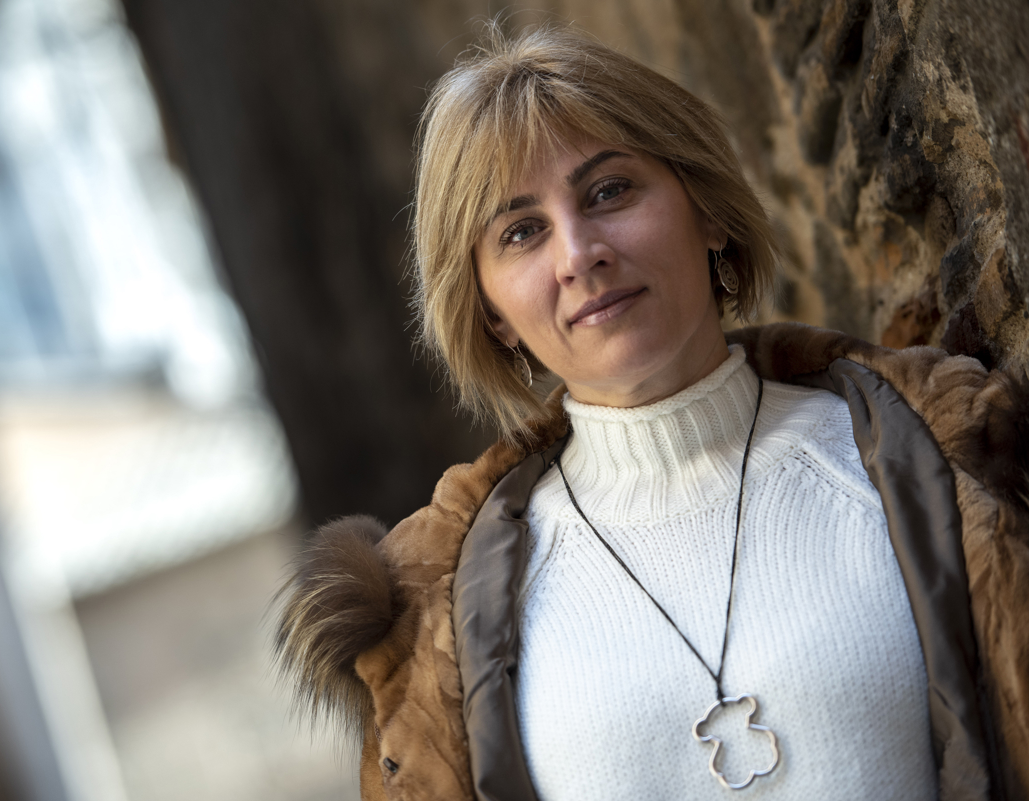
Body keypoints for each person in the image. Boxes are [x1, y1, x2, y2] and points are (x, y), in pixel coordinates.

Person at [275, 24, 1029, 801]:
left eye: (609, 192)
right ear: (492, 310)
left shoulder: (926, 464)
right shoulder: (439, 619)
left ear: (707, 211)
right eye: (522, 232)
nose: (579, 253)